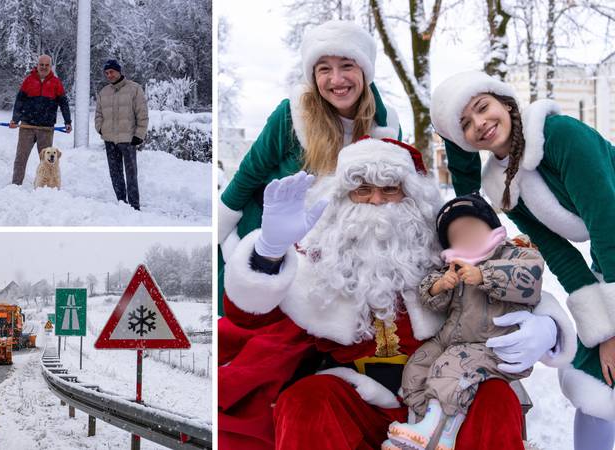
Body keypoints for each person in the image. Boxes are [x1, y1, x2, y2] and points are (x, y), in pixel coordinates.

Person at [218, 137, 575, 449]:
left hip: (445, 389)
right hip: (357, 394)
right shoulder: (319, 254)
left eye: (390, 189)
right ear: (343, 198)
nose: (376, 201)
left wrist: (548, 326)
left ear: (411, 197)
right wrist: (269, 250)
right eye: (362, 190)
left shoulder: (441, 243)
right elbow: (251, 315)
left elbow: (505, 268)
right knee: (305, 402)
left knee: (496, 396)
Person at [431, 71, 615, 450]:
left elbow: (608, 225)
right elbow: (560, 254)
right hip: (607, 256)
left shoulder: (562, 136)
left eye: (483, 108)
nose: (480, 124)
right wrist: (602, 332)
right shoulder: (501, 185)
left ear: (506, 103)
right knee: (594, 380)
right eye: (465, 124)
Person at [217, 19, 401, 314]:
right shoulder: (292, 115)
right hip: (269, 240)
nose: (336, 79)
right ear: (313, 76)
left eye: (347, 65)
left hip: (334, 249)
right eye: (324, 68)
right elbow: (248, 175)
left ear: (365, 70)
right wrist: (220, 231)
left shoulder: (387, 127)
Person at [386, 194, 545, 450]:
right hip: (454, 341)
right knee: (418, 365)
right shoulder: (454, 267)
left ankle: (437, 433)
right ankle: (430, 424)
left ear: (491, 228)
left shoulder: (514, 254)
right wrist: (440, 286)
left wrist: (484, 274)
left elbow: (530, 278)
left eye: (473, 230)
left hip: (493, 346)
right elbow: (431, 300)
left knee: (451, 366)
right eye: (458, 236)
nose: (467, 239)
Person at [9, 54, 72, 185]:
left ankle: (46, 186)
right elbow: (19, 101)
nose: (43, 67)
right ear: (37, 65)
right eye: (41, 65)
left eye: (46, 65)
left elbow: (64, 103)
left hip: (46, 128)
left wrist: (68, 122)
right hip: (28, 126)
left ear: (51, 66)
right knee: (21, 157)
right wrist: (15, 119)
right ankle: (16, 185)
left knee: (47, 159)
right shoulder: (29, 80)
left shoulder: (56, 83)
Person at [95, 59, 149, 210]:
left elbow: (142, 114)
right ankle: (121, 203)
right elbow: (98, 114)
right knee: (115, 173)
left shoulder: (134, 89)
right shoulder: (104, 92)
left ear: (119, 71)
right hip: (109, 139)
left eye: (111, 72)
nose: (109, 75)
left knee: (131, 175)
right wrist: (101, 129)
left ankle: (134, 206)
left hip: (128, 139)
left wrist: (139, 134)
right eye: (107, 73)